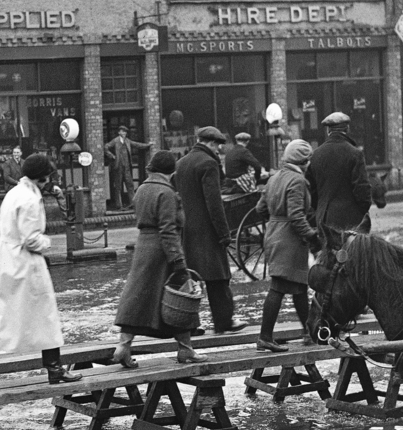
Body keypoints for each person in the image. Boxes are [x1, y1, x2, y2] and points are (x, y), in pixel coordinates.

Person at [0, 153, 82, 390]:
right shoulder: (30, 199)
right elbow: (30, 239)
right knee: (45, 314)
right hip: (26, 263)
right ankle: (55, 368)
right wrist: (47, 242)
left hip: (5, 260)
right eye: (48, 176)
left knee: (0, 316)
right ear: (42, 176)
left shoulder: (13, 193)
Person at [112, 150, 203, 365]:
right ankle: (186, 349)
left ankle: (123, 346)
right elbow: (168, 230)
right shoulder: (167, 192)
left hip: (143, 246)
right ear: (172, 171)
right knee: (180, 298)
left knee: (138, 297)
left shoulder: (142, 188)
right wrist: (178, 262)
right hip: (163, 252)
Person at [175, 126, 246, 334]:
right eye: (218, 146)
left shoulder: (181, 163)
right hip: (208, 231)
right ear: (211, 144)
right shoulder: (208, 163)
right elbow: (214, 203)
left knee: (192, 277)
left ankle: (190, 324)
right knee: (219, 278)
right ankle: (224, 321)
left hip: (187, 229)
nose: (219, 151)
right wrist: (224, 234)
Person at [254, 139, 320, 353]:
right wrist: (312, 236)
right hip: (289, 239)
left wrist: (275, 220)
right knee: (279, 286)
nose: (309, 164)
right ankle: (265, 337)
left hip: (275, 234)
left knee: (299, 286)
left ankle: (309, 333)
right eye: (308, 160)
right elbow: (296, 216)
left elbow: (260, 208)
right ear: (303, 161)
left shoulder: (274, 178)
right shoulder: (297, 180)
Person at [306, 111, 374, 249]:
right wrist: (361, 212)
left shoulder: (315, 155)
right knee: (351, 261)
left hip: (323, 220)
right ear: (347, 129)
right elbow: (362, 190)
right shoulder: (355, 153)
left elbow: (311, 191)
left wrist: (319, 211)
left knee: (329, 261)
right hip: (350, 221)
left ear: (327, 130)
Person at [105, 126, 152, 210]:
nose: (124, 133)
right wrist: (112, 156)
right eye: (123, 132)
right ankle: (119, 205)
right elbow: (106, 147)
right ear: (119, 132)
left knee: (130, 185)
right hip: (118, 167)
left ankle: (133, 203)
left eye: (125, 132)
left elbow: (137, 144)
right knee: (118, 186)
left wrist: (147, 145)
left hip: (126, 167)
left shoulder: (127, 141)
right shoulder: (115, 141)